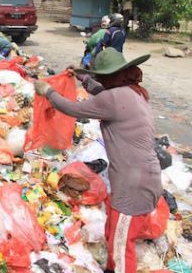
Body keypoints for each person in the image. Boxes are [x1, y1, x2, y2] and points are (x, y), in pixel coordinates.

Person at [34, 48, 164, 273]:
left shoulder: (114, 98)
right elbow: (101, 93)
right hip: (140, 179)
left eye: (101, 76)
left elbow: (71, 108)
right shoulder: (132, 92)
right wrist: (82, 77)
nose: (100, 80)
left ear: (110, 76)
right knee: (114, 234)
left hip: (135, 184)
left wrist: (48, 92)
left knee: (121, 247)